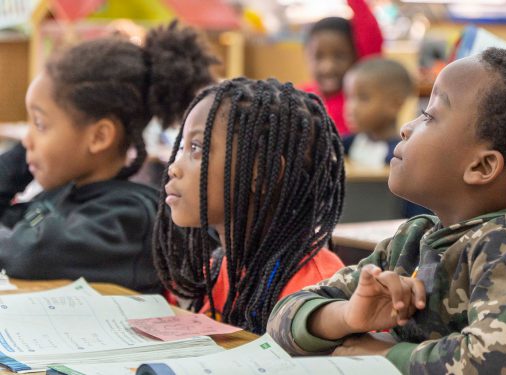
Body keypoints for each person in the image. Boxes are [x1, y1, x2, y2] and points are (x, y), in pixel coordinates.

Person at [267, 48, 506, 374]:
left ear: (482, 166)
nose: (407, 128)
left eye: (428, 115)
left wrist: (385, 356)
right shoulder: (414, 240)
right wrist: (347, 316)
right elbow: (281, 318)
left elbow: (493, 363)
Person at [0, 22, 217, 293]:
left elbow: (27, 255)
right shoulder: (63, 194)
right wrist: (29, 150)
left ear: (99, 137)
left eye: (40, 124)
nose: (27, 139)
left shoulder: (128, 218)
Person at [153, 78, 346, 334]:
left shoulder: (317, 287)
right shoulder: (220, 269)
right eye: (181, 148)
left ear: (262, 173)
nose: (174, 168)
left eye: (196, 148)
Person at [342, 57, 430, 217]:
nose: (351, 107)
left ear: (395, 104)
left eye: (363, 98)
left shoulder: (402, 155)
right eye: (349, 97)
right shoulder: (350, 143)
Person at [302, 0, 383, 136]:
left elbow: (370, 32)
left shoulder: (360, 102)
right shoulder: (300, 98)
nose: (328, 67)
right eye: (319, 57)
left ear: (357, 56)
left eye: (339, 56)